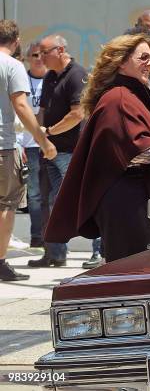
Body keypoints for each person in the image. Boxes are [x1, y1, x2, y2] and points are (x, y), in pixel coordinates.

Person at [43, 34, 150, 262]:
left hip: (135, 201)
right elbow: (137, 151)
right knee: (132, 273)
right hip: (127, 204)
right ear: (121, 62)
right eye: (143, 58)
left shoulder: (130, 95)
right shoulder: (119, 99)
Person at [0, 20, 56, 281]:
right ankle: (0, 263)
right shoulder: (12, 67)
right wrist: (43, 141)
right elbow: (21, 105)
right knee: (6, 204)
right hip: (3, 145)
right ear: (17, 40)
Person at [27, 35, 87, 268]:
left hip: (70, 151)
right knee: (47, 201)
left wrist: (48, 132)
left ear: (60, 50)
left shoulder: (76, 75)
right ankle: (53, 253)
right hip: (49, 150)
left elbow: (77, 114)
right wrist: (42, 138)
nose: (41, 58)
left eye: (44, 52)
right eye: (38, 53)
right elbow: (42, 110)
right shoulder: (51, 76)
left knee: (80, 201)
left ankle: (98, 250)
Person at [15, 42, 47, 248]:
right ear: (28, 58)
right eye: (34, 54)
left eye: (42, 54)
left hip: (50, 143)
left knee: (52, 194)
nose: (39, 58)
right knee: (34, 194)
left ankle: (54, 237)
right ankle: (37, 235)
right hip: (29, 144)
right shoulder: (22, 79)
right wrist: (20, 145)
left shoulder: (52, 79)